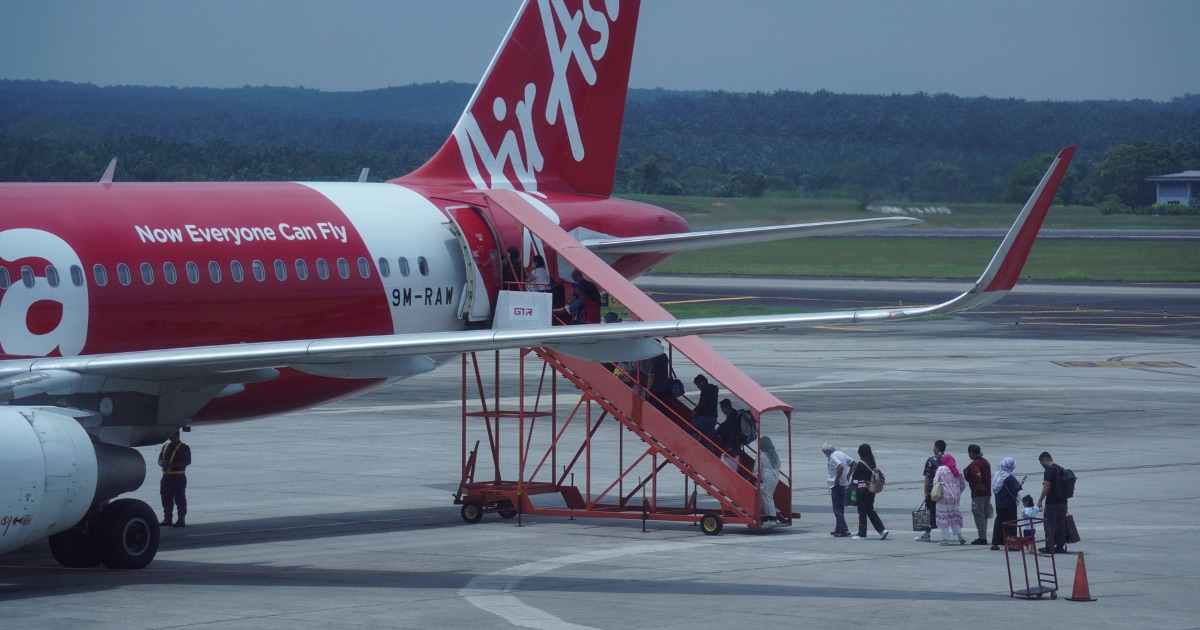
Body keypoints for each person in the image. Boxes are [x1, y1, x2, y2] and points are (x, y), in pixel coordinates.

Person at [850, 443, 889, 540]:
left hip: (862, 489)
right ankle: (882, 530)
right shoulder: (872, 462)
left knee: (862, 511)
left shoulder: (861, 463)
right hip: (871, 490)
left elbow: (855, 476)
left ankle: (862, 533)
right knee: (870, 510)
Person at [1036, 451, 1070, 554]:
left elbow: (1047, 486)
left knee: (1049, 525)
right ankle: (1060, 547)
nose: (1042, 466)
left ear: (1044, 460)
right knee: (1061, 524)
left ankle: (1049, 547)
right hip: (1063, 502)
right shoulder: (1061, 469)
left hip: (1052, 503)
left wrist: (1040, 500)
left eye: (1041, 463)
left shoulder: (1049, 471)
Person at [990, 457, 1026, 550]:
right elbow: (1015, 488)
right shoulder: (1009, 477)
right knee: (1011, 523)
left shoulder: (996, 475)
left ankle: (995, 543)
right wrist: (1020, 484)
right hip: (1009, 503)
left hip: (999, 503)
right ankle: (1011, 544)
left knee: (999, 522)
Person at [158, 428, 191, 527]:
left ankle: (181, 520)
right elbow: (160, 459)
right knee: (165, 497)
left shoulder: (184, 447)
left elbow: (187, 461)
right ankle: (167, 519)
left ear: (177, 434)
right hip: (166, 477)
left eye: (171, 435)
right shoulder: (165, 446)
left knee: (179, 498)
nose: (169, 437)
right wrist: (161, 463)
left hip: (178, 477)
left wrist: (172, 465)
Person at [932, 453, 967, 545]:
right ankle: (960, 536)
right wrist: (957, 493)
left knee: (943, 517)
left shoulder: (941, 469)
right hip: (955, 499)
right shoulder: (957, 469)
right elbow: (963, 484)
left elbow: (935, 481)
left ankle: (945, 540)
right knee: (954, 517)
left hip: (943, 498)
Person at [915, 439, 945, 542]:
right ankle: (949, 535)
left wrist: (925, 492)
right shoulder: (948, 459)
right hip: (946, 490)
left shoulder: (931, 460)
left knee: (930, 511)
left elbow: (927, 477)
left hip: (934, 490)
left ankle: (927, 534)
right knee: (945, 512)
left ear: (937, 448)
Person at [963, 444, 993, 545]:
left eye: (969, 453)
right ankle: (983, 536)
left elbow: (978, 474)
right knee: (984, 516)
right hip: (987, 493)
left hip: (979, 494)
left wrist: (979, 484)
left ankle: (982, 538)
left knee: (979, 515)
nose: (968, 455)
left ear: (972, 453)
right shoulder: (985, 462)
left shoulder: (974, 464)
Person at [822, 443, 853, 537]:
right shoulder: (841, 454)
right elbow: (854, 463)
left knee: (837, 508)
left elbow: (841, 466)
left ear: (827, 451)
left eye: (824, 452)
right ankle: (838, 528)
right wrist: (848, 475)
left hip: (837, 485)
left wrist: (837, 480)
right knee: (840, 507)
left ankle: (844, 529)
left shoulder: (833, 456)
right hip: (844, 484)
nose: (824, 454)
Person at [757, 436, 785, 524]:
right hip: (775, 477)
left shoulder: (761, 454)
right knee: (767, 496)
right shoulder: (775, 454)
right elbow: (779, 465)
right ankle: (766, 516)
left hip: (765, 478)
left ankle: (772, 518)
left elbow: (756, 468)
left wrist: (754, 476)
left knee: (767, 497)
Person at [689, 374, 719, 447]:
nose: (697, 387)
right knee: (708, 441)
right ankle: (711, 454)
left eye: (697, 384)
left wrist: (695, 411)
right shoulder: (714, 390)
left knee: (688, 430)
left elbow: (702, 403)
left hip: (705, 417)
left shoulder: (705, 390)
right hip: (713, 418)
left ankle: (696, 437)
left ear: (701, 382)